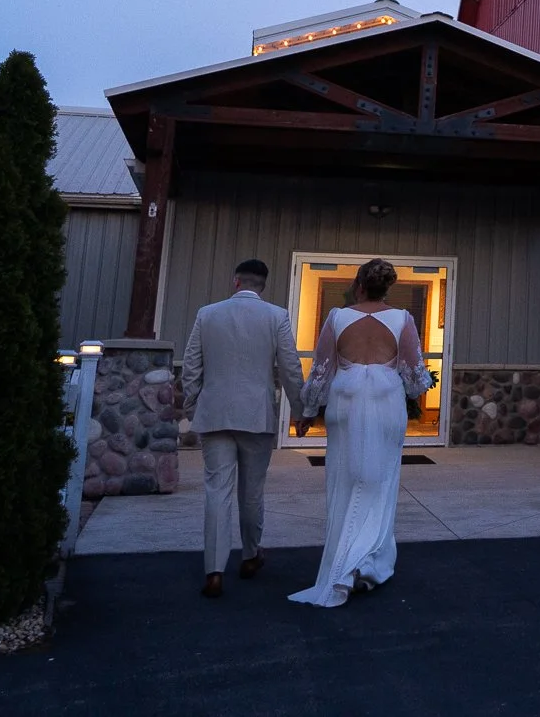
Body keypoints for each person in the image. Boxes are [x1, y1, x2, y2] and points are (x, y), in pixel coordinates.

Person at [289, 257, 434, 607]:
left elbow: (322, 370)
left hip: (346, 402)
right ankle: (367, 565)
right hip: (385, 403)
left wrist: (308, 411)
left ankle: (348, 559)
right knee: (381, 481)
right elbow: (415, 379)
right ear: (388, 288)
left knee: (345, 479)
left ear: (358, 285)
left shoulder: (338, 318)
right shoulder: (402, 319)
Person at [181, 258, 307, 599]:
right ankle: (251, 555)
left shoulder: (207, 314)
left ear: (236, 281)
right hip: (256, 416)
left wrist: (193, 405)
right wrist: (300, 410)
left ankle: (214, 571)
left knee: (216, 490)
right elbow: (290, 366)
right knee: (252, 491)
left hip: (216, 413)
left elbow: (192, 364)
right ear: (262, 286)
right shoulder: (276, 316)